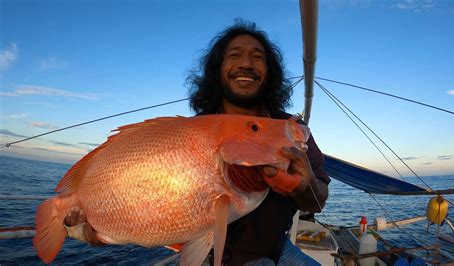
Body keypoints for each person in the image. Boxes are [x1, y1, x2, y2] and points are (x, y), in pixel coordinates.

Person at [64, 21, 330, 265]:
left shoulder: (286, 129)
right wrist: (99, 225)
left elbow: (317, 203)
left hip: (275, 251)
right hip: (208, 253)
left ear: (269, 72)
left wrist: (305, 186)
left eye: (257, 57)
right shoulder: (191, 130)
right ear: (218, 69)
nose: (246, 64)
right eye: (234, 55)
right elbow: (153, 201)